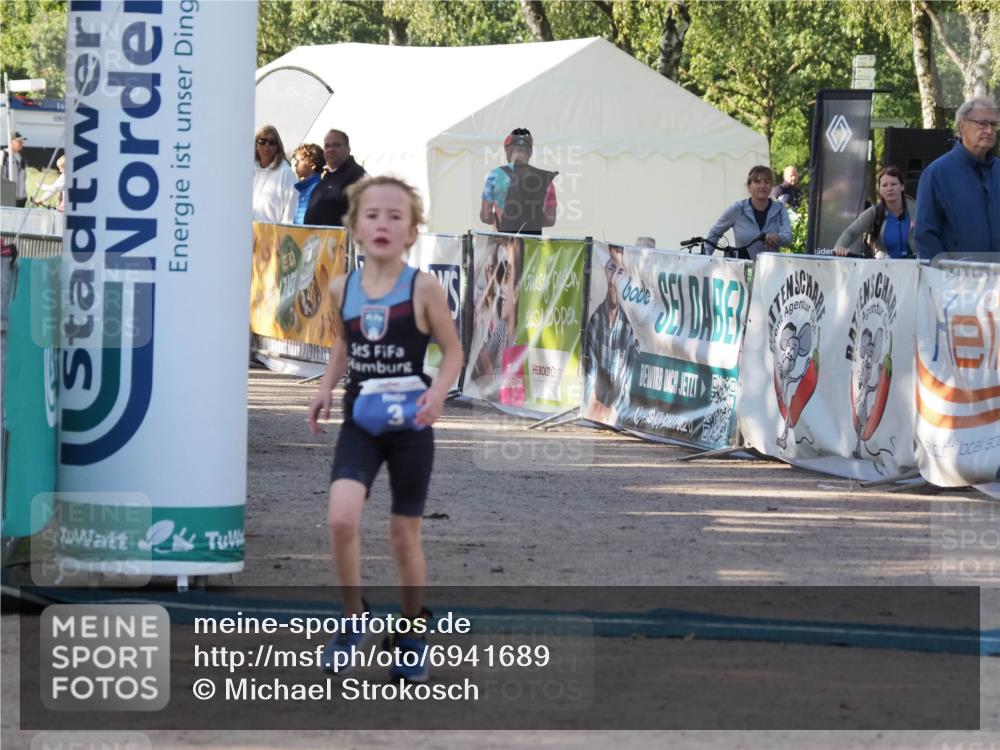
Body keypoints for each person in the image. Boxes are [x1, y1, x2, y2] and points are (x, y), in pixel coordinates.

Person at [308, 176, 462, 683]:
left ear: (412, 231)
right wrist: (325, 389)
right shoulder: (342, 288)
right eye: (372, 215)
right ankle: (354, 618)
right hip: (362, 420)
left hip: (412, 424)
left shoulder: (423, 287)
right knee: (341, 519)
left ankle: (412, 632)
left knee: (402, 535)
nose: (383, 224)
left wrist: (437, 394)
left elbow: (453, 352)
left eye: (396, 216)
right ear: (354, 227)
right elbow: (343, 344)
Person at [915, 96, 1000, 260]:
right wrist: (946, 271)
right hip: (956, 275)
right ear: (962, 126)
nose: (989, 131)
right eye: (983, 124)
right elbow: (925, 234)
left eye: (993, 125)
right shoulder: (937, 174)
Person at [583, 244, 638, 425]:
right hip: (594, 414)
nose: (614, 278)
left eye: (620, 271)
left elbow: (628, 384)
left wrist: (615, 413)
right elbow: (589, 375)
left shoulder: (630, 328)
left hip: (616, 417)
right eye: (611, 268)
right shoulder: (596, 320)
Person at [480, 128, 557, 235]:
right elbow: (550, 220)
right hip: (532, 243)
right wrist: (529, 224)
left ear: (507, 151)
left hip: (504, 241)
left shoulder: (495, 175)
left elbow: (485, 216)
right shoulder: (546, 179)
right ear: (530, 152)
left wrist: (499, 221)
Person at [704, 165, 792, 260]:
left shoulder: (780, 209)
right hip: (742, 268)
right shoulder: (737, 208)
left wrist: (778, 238)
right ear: (749, 187)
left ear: (771, 187)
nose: (762, 186)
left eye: (766, 182)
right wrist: (705, 258)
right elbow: (715, 233)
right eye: (757, 182)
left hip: (771, 268)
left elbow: (788, 239)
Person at [834, 166, 917, 259]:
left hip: (918, 265)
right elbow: (851, 232)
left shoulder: (918, 211)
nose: (889, 188)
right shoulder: (875, 212)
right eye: (884, 185)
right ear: (880, 190)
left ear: (902, 187)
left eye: (893, 184)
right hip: (884, 266)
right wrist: (840, 247)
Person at [304, 129, 367, 227]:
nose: (331, 149)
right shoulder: (327, 178)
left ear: (348, 148)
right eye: (327, 146)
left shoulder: (357, 176)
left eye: (336, 145)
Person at [252, 125, 296, 223]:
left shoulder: (285, 172)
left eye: (272, 142)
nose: (267, 145)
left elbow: (290, 211)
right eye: (262, 141)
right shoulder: (250, 171)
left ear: (277, 147)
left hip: (272, 231)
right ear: (256, 145)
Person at [291, 143, 324, 225]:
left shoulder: (316, 190)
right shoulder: (304, 189)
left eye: (298, 161)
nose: (295, 164)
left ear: (312, 165)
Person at [2, 132, 28, 207]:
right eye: (19, 141)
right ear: (11, 142)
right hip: (7, 196)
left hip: (21, 198)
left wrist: (24, 195)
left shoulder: (21, 158)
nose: (22, 144)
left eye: (22, 142)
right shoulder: (3, 155)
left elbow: (23, 178)